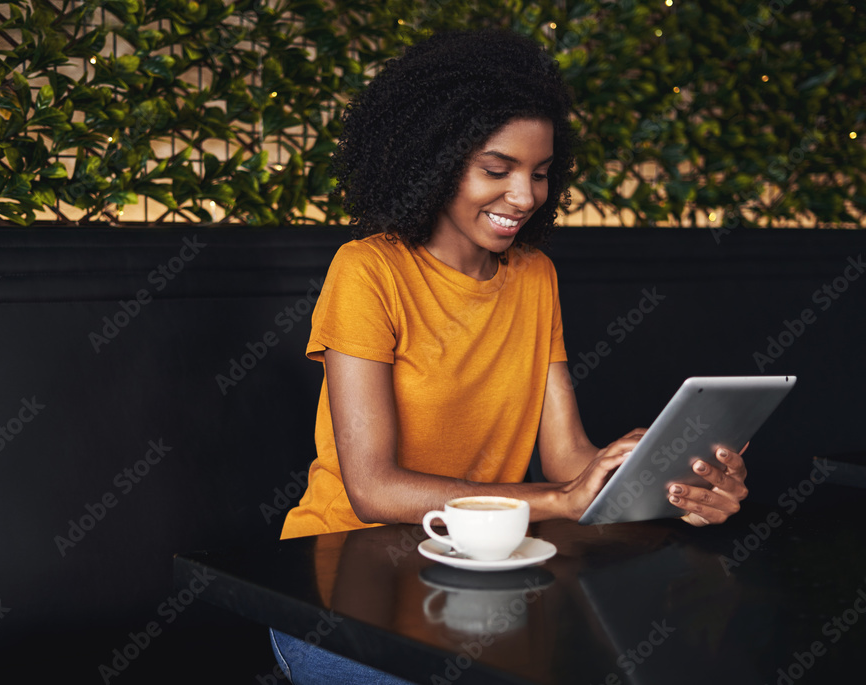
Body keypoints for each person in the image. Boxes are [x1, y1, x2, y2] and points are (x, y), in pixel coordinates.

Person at [270, 29, 748, 683]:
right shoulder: (367, 270)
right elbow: (373, 487)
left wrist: (671, 487)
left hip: (483, 585)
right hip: (337, 583)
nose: (525, 196)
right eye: (497, 170)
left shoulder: (534, 275)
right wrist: (558, 498)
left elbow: (569, 459)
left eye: (541, 173)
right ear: (434, 160)